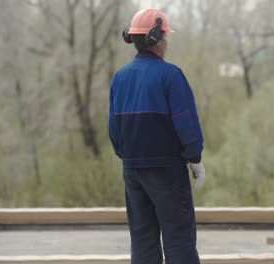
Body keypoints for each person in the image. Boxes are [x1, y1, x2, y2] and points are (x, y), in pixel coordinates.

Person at [108, 8, 205, 264]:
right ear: (157, 37)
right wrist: (194, 158)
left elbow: (114, 132)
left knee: (143, 243)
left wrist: (132, 158)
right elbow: (186, 124)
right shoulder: (170, 75)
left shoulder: (119, 78)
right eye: (165, 35)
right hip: (167, 172)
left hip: (133, 172)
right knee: (179, 241)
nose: (166, 41)